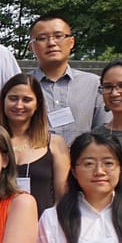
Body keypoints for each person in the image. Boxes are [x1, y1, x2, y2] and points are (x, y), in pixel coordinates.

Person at [29, 14, 106, 148]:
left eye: (58, 36)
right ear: (31, 47)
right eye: (42, 38)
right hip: (37, 165)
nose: (51, 43)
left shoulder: (93, 84)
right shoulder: (23, 85)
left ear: (71, 42)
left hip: (83, 164)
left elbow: (104, 130)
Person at [0, 74, 70, 212]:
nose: (19, 105)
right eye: (13, 98)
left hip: (43, 227)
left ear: (37, 104)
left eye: (27, 100)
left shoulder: (55, 143)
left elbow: (62, 196)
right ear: (3, 101)